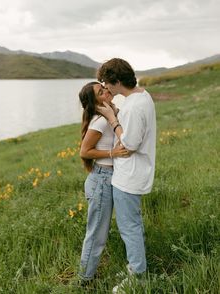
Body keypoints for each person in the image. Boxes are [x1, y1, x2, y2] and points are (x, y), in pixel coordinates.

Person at [97, 58, 156, 293]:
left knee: (128, 227)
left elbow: (129, 144)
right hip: (136, 173)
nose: (106, 88)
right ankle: (135, 267)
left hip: (128, 176)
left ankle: (138, 276)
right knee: (133, 224)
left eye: (107, 83)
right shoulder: (143, 96)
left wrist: (112, 119)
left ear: (117, 81)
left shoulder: (132, 107)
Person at [78, 81, 130, 284]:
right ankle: (85, 280)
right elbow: (84, 152)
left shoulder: (109, 116)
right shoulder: (100, 121)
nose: (107, 90)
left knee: (100, 232)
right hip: (101, 180)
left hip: (107, 178)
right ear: (96, 102)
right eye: (101, 91)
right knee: (97, 235)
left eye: (104, 87)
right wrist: (112, 152)